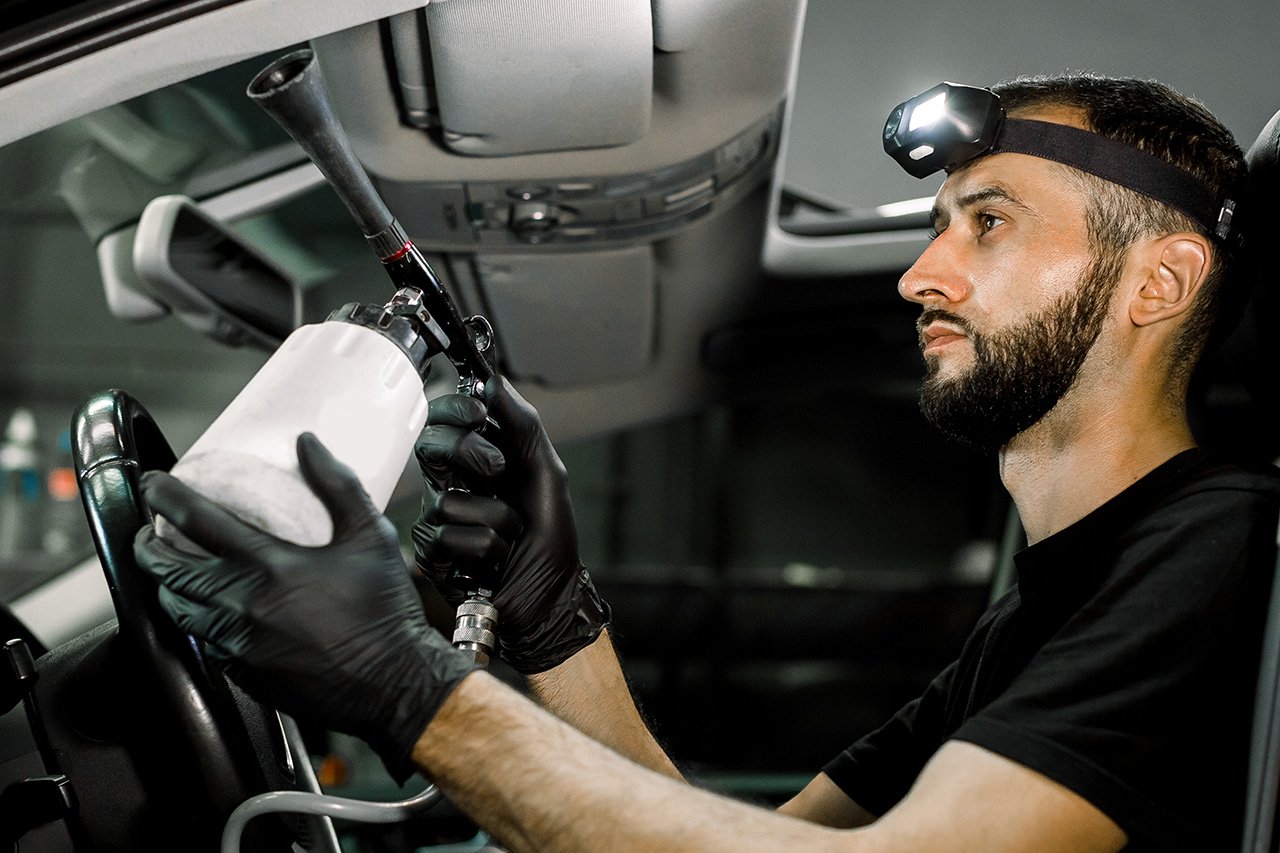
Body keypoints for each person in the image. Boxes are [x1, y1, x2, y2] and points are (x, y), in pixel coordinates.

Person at [133, 73, 1280, 852]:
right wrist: (552, 610)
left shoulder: (1221, 549)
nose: (918, 275)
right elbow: (731, 839)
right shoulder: (1044, 605)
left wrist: (401, 685)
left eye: (986, 221)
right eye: (937, 225)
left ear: (1160, 282)